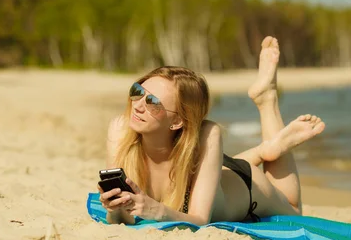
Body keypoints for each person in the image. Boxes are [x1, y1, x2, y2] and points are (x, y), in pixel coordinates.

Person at [98, 36, 325, 226]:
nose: (137, 105)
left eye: (153, 102)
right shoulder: (120, 130)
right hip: (209, 170)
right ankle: (265, 150)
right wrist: (113, 209)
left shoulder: (208, 134)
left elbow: (200, 220)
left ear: (177, 121)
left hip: (244, 185)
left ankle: (268, 99)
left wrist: (156, 210)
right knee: (211, 168)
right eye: (137, 91)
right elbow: (119, 219)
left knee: (295, 211)